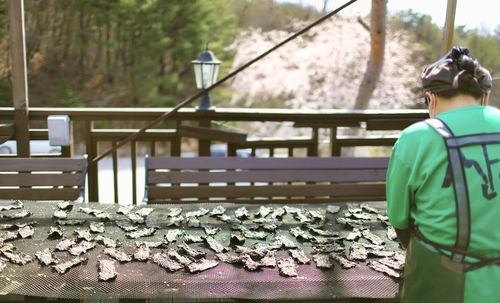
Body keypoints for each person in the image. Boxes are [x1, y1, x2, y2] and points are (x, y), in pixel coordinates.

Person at [386, 46, 500, 303]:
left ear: (431, 98)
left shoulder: (417, 137)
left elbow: (399, 217)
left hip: (442, 280)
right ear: (484, 97)